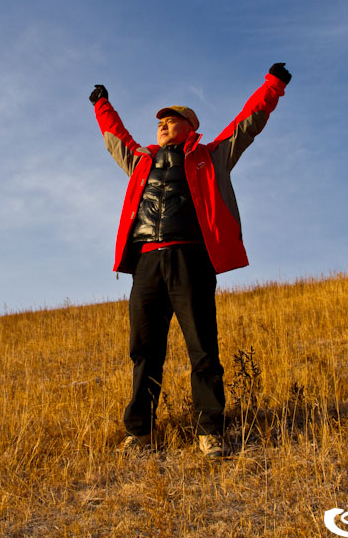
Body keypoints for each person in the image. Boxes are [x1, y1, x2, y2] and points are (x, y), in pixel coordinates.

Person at [89, 63, 291, 458]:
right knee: (144, 349)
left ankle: (210, 432)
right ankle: (141, 433)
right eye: (160, 120)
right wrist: (102, 104)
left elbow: (247, 122)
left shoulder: (211, 157)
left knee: (202, 348)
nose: (162, 124)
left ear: (189, 126)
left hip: (191, 260)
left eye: (171, 119)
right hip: (147, 263)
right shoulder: (141, 161)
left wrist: (273, 85)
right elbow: (116, 137)